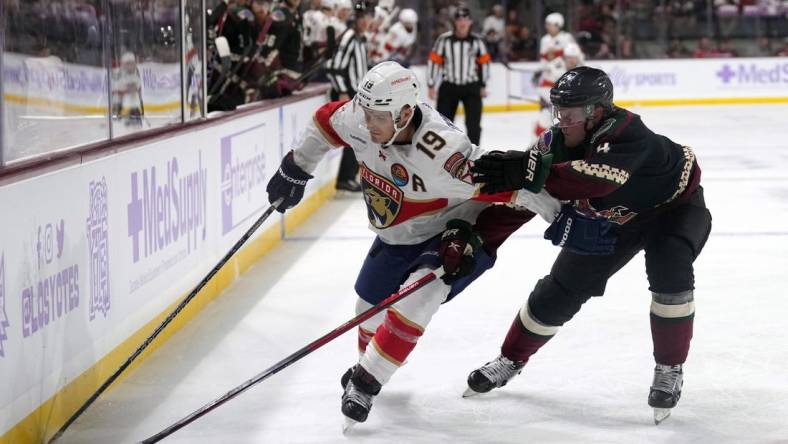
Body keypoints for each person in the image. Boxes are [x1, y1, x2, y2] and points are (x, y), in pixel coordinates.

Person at [265, 61, 568, 429]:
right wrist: (297, 166)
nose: (366, 122)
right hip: (394, 236)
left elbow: (511, 186)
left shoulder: (441, 153)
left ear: (405, 113)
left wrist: (562, 219)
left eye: (378, 116)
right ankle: (370, 361)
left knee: (420, 295)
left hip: (449, 232)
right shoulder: (360, 117)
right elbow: (326, 121)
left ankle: (367, 381)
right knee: (367, 308)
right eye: (365, 112)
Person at [465, 67, 712, 425]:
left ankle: (670, 367)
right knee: (562, 288)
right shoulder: (551, 146)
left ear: (597, 112)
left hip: (674, 211)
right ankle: (511, 358)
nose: (562, 120)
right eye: (558, 111)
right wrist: (479, 240)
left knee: (670, 271)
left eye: (572, 113)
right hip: (617, 218)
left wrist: (532, 172)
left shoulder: (629, 133)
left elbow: (595, 180)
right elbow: (524, 201)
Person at [326, 0, 373, 193]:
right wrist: (344, 90)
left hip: (360, 94)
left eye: (368, 17)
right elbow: (333, 67)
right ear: (356, 17)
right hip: (351, 94)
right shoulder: (350, 37)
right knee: (355, 135)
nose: (365, 21)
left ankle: (351, 175)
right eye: (362, 17)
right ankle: (345, 178)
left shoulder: (362, 39)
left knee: (361, 135)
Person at [427, 6, 491, 146]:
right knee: (443, 124)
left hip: (471, 87)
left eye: (465, 19)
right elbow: (434, 62)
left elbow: (484, 64)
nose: (462, 23)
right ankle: (443, 154)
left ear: (470, 22)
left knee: (474, 125)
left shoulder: (477, 42)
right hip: (449, 86)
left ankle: (474, 157)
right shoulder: (444, 40)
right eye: (459, 19)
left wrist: (483, 85)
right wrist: (431, 84)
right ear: (455, 22)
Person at [533, 12, 576, 137]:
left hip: (562, 85)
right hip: (547, 83)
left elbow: (573, 57)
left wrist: (556, 53)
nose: (547, 27)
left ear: (558, 25)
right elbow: (543, 60)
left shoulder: (567, 38)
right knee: (545, 114)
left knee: (562, 116)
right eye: (547, 24)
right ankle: (539, 141)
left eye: (550, 24)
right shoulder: (545, 40)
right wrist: (538, 71)